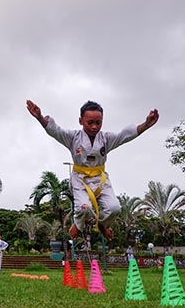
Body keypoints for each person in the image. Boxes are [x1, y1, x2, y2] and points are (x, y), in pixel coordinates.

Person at [27, 99, 159, 242]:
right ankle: (78, 224)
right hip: (80, 179)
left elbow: (124, 135)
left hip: (100, 179)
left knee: (115, 208)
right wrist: (40, 117)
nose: (95, 127)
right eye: (90, 123)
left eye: (98, 122)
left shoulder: (106, 139)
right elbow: (56, 131)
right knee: (85, 208)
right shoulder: (73, 138)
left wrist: (146, 124)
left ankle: (102, 224)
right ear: (81, 121)